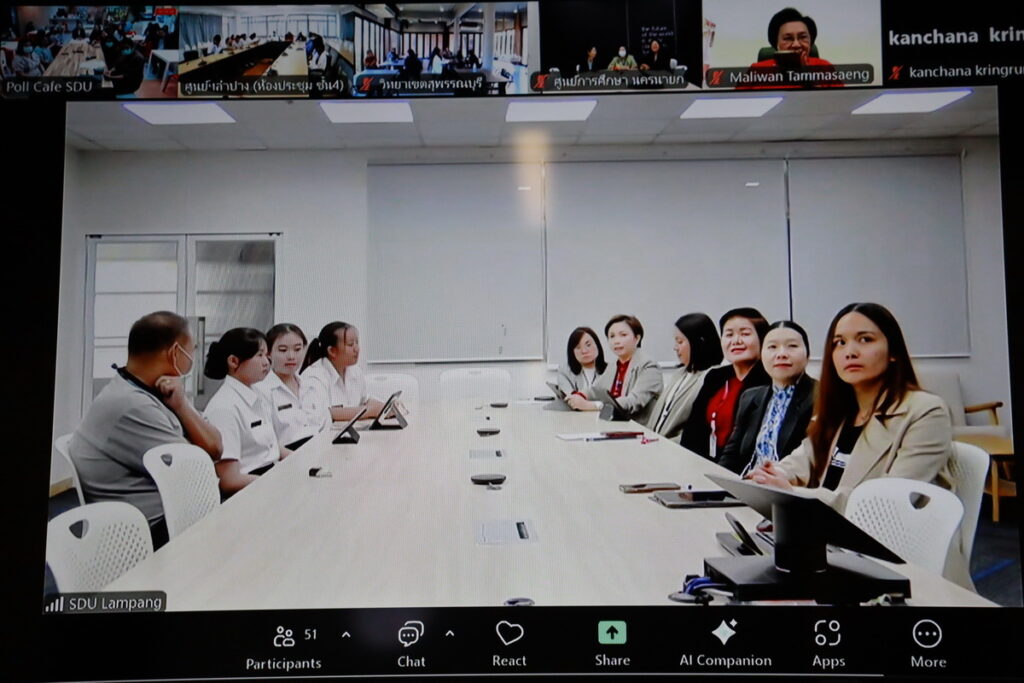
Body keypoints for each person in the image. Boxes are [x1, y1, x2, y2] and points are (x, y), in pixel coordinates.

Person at [747, 303, 967, 588]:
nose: (849, 351)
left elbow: (885, 505)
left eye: (865, 339)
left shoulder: (926, 411)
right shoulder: (840, 411)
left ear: (893, 352)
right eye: (839, 343)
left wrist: (793, 495)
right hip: (833, 549)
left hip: (900, 565)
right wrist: (770, 476)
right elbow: (802, 460)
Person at [69, 312, 223, 549]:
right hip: (149, 530)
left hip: (164, 515)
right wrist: (184, 411)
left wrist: (181, 405)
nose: (193, 357)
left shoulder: (154, 390)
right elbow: (199, 472)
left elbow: (214, 446)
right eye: (192, 349)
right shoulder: (131, 404)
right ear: (175, 353)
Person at [718, 320, 817, 475]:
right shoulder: (750, 397)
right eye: (772, 347)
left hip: (789, 485)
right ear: (761, 355)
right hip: (746, 484)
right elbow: (731, 455)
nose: (781, 354)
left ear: (808, 355)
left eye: (792, 346)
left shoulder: (821, 397)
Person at [204, 328, 289, 495]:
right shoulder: (224, 408)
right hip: (249, 491)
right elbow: (229, 480)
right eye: (259, 355)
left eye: (266, 355)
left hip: (268, 478)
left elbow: (271, 448)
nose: (266, 362)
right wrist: (277, 483)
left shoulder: (257, 392)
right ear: (233, 361)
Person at [679, 307, 771, 459]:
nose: (736, 341)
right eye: (729, 334)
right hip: (704, 463)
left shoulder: (768, 381)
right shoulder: (716, 377)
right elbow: (693, 429)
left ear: (762, 338)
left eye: (745, 334)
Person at [567, 314, 663, 420]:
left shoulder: (649, 366)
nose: (616, 341)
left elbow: (633, 401)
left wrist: (594, 406)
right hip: (614, 422)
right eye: (612, 336)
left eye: (623, 335)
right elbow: (596, 390)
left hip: (637, 426)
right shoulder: (614, 365)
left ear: (637, 338)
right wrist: (579, 395)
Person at [645, 313, 723, 439]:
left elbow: (697, 430)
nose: (675, 348)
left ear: (699, 343)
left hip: (675, 448)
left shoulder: (712, 377)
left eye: (680, 342)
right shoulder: (679, 374)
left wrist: (662, 444)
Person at [255, 323, 328, 450]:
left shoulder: (310, 385)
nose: (291, 356)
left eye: (297, 349)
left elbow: (325, 424)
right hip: (286, 456)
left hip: (319, 448)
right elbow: (265, 443)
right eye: (283, 350)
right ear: (268, 353)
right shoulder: (261, 390)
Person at [300, 321, 385, 422]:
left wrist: (387, 407)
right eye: (350, 344)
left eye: (357, 343)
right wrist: (368, 411)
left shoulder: (355, 370)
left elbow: (364, 400)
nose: (356, 349)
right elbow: (320, 414)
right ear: (332, 351)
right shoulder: (314, 376)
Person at [741, 7, 842, 89]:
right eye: (788, 38)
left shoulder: (825, 68)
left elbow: (840, 105)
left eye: (803, 37)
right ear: (776, 44)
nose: (796, 44)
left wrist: (808, 79)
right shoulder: (757, 70)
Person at [556, 327, 608, 395]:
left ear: (597, 345)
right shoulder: (565, 372)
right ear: (572, 352)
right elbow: (569, 395)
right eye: (578, 347)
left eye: (588, 345)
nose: (584, 351)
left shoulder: (611, 371)